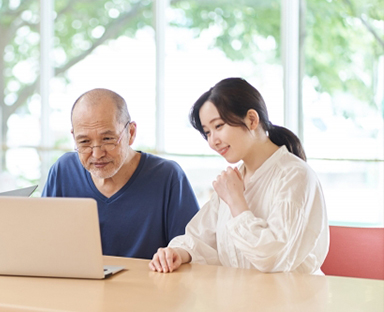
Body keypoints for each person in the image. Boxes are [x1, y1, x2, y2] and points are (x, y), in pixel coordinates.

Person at [149, 78, 329, 274]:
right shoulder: (233, 179)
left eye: (218, 126)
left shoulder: (295, 175)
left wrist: (236, 201)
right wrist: (177, 253)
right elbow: (200, 237)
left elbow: (274, 256)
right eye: (207, 133)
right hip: (241, 298)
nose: (213, 141)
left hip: (291, 300)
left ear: (252, 119)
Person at [42, 88, 199, 259]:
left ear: (131, 133)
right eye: (85, 142)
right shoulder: (63, 171)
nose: (97, 154)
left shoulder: (168, 177)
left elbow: (192, 250)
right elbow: (42, 241)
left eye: (108, 139)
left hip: (148, 284)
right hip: (78, 284)